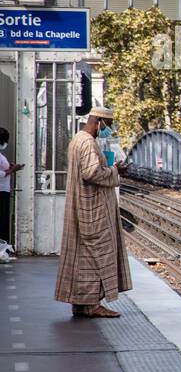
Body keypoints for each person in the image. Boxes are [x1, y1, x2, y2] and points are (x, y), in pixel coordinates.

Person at [54, 107, 132, 318]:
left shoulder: (78, 139)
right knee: (98, 254)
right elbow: (91, 173)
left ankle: (81, 303)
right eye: (108, 124)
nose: (109, 129)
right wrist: (115, 171)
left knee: (83, 255)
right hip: (93, 209)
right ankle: (92, 304)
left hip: (82, 204)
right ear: (98, 121)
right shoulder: (88, 142)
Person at [0, 127, 22, 262]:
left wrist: (10, 168)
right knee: (2, 221)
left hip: (4, 190)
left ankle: (3, 249)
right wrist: (12, 170)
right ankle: (2, 250)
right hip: (1, 191)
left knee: (3, 220)